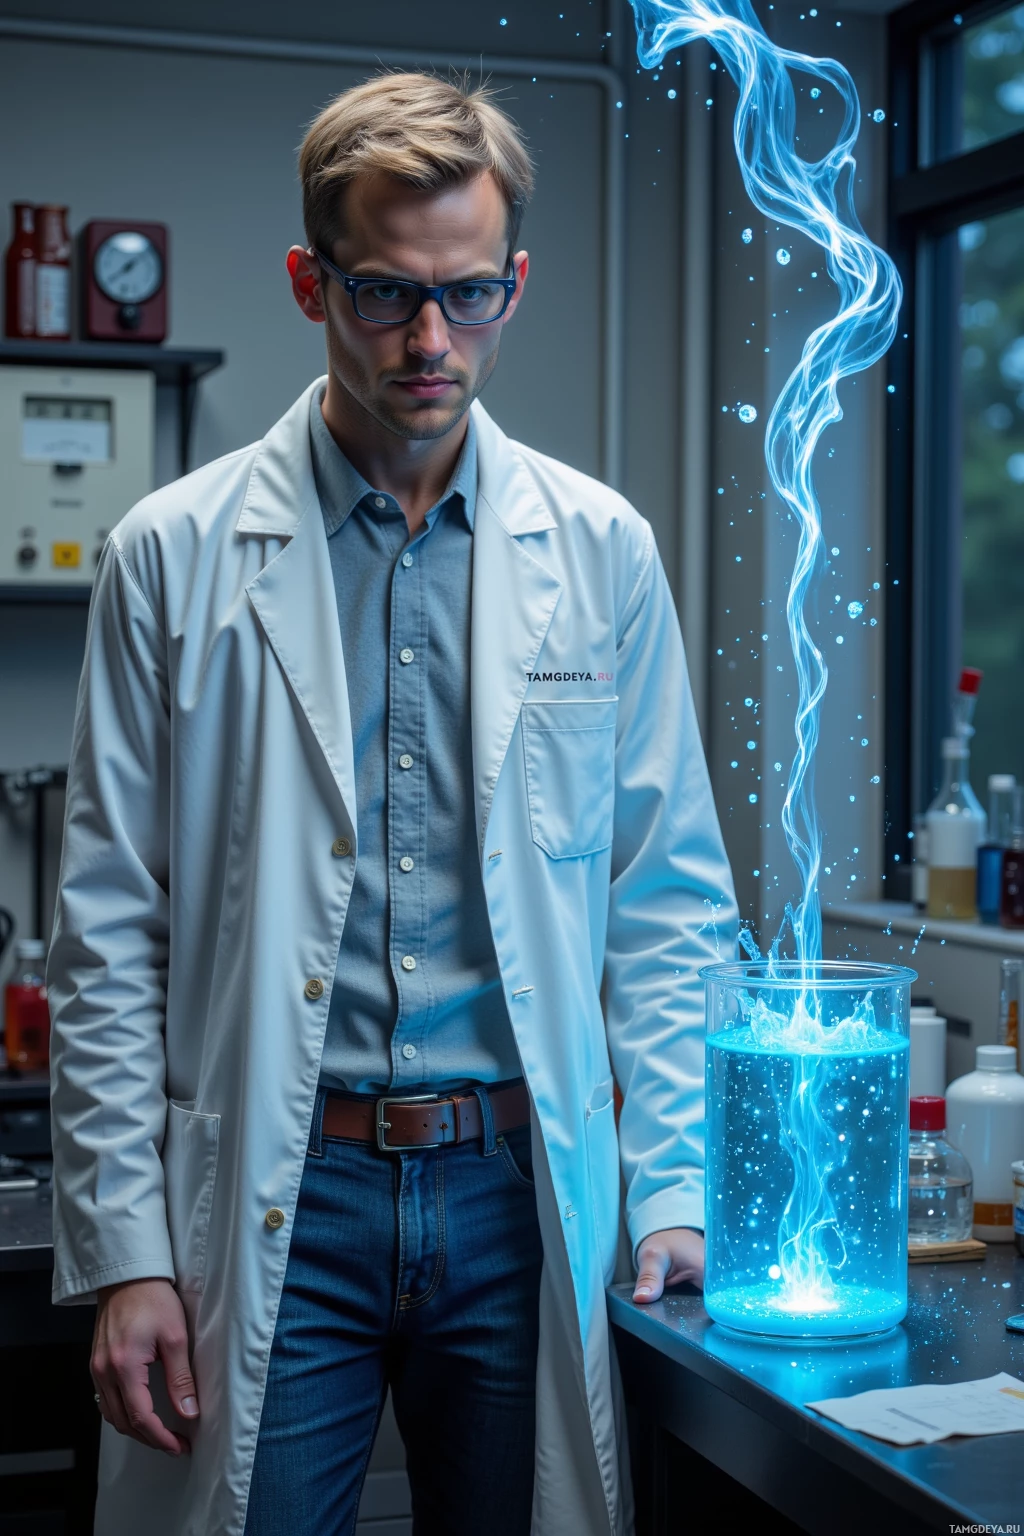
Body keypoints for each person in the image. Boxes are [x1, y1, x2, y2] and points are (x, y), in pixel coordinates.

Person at [48, 72, 737, 1536]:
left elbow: (665, 904)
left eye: (471, 295)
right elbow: (107, 933)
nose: (432, 341)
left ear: (517, 281)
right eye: (383, 294)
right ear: (311, 280)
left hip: (517, 1192)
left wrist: (672, 1188)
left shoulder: (600, 549)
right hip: (285, 1192)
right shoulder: (170, 554)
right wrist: (125, 1254)